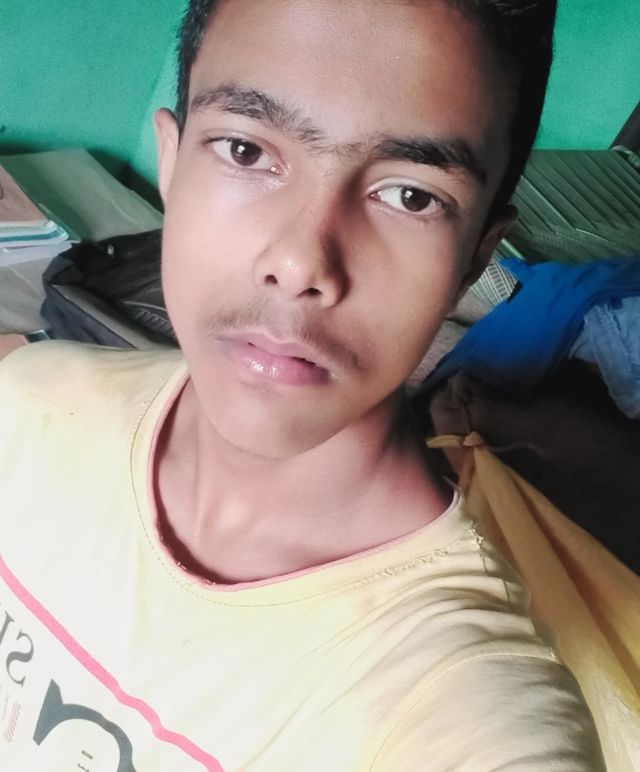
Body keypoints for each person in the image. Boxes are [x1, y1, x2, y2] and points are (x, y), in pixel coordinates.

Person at [0, 0, 605, 769]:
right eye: (247, 151)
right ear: (171, 163)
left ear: (478, 257)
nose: (301, 263)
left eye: (411, 195)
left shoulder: (453, 701)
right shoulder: (30, 402)